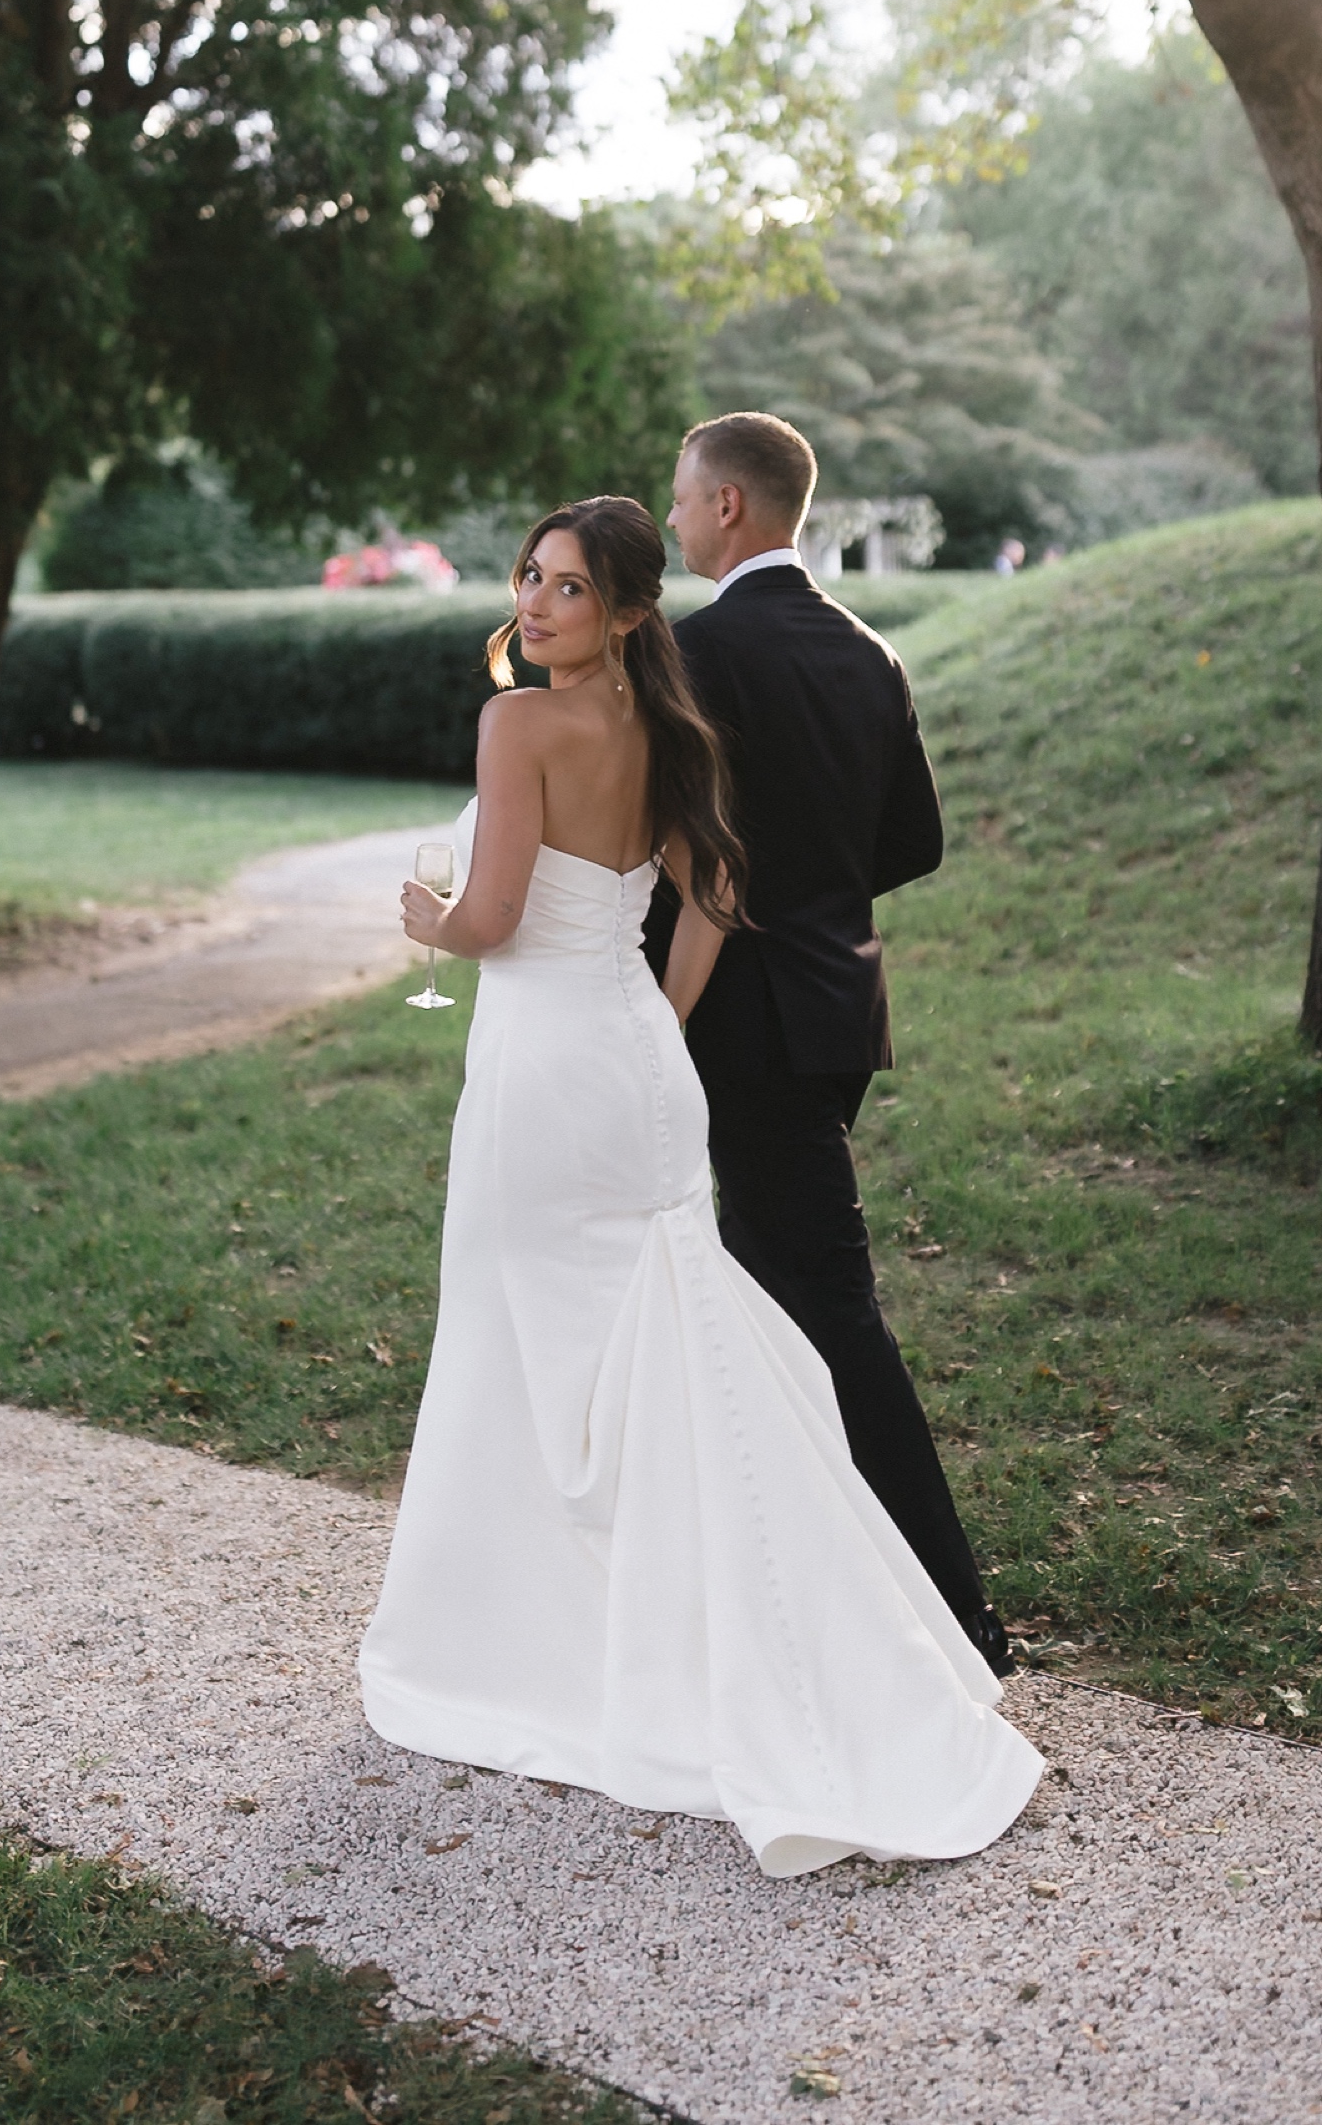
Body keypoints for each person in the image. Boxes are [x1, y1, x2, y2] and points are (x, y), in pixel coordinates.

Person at [360, 495, 1040, 1876]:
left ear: (620, 612)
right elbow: (717, 893)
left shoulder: (517, 726)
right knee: (664, 1343)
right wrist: (657, 1023)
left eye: (565, 589)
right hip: (635, 1067)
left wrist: (426, 924)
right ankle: (764, 1628)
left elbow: (491, 923)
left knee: (516, 1336)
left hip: (551, 1072)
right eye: (528, 581)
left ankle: (531, 1640)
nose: (536, 605)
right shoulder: (666, 727)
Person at [655, 413, 1014, 1679]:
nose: (673, 519)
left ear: (733, 511)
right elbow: (909, 843)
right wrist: (815, 894)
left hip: (741, 1024)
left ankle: (953, 1615)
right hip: (838, 1011)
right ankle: (801, 1586)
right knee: (766, 1298)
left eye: (684, 500)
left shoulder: (696, 654)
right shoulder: (867, 650)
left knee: (830, 1309)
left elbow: (679, 849)